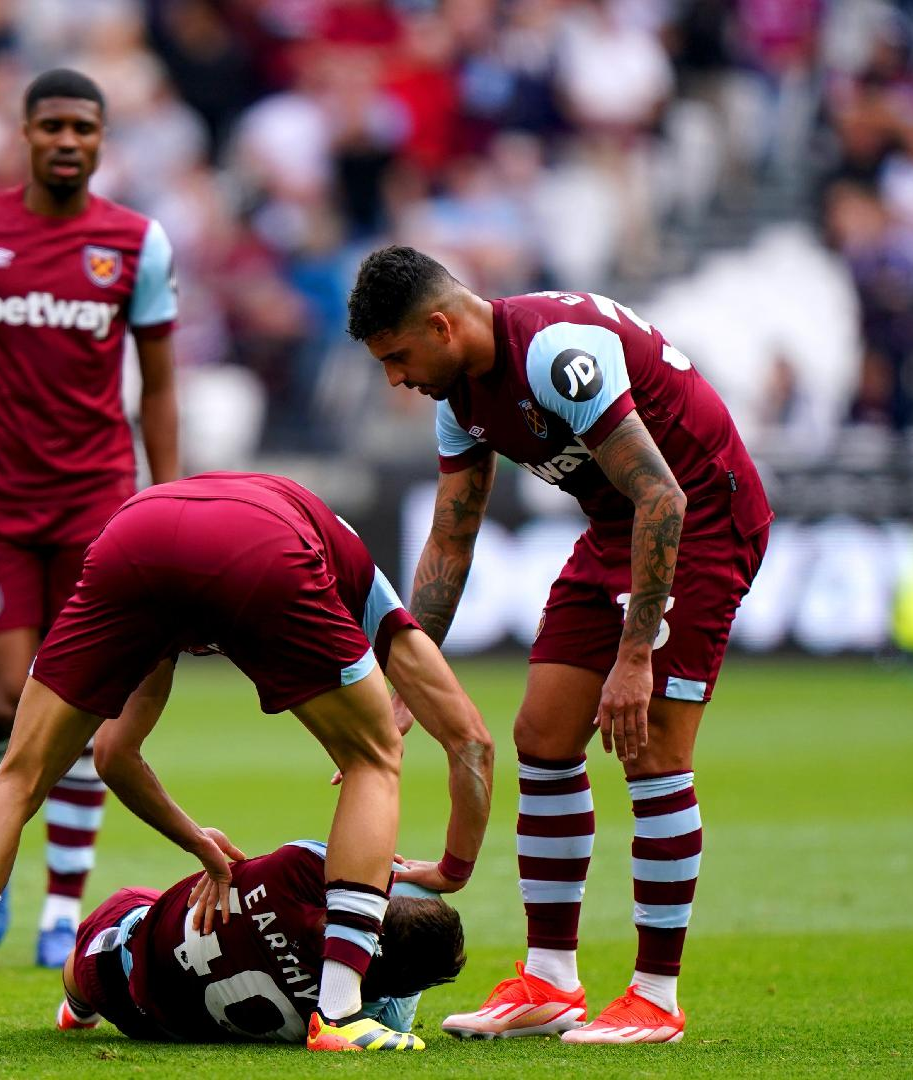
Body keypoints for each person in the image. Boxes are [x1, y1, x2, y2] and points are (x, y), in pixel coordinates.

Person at [0, 471, 495, 1055]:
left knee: (16, 779)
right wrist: (453, 868)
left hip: (134, 537)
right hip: (264, 545)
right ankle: (340, 1012)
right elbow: (471, 742)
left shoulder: (193, 565)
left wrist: (196, 842)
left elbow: (114, 753)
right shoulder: (355, 573)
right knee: (374, 757)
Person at [346, 246, 774, 1044]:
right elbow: (450, 539)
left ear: (441, 326)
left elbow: (664, 495)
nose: (396, 378)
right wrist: (405, 685)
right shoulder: (458, 397)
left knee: (652, 751)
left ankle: (656, 996)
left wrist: (635, 657)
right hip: (615, 527)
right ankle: (550, 981)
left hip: (701, 522)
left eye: (398, 357)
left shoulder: (555, 352)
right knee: (542, 737)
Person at [0, 68, 181, 967]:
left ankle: (62, 910)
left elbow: (160, 386)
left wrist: (167, 500)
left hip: (97, 503)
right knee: (1, 701)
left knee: (83, 706)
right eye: (52, 126)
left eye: (83, 127)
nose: (68, 141)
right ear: (25, 134)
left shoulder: (137, 243)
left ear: (102, 139)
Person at [56, 843, 467, 1044]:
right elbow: (395, 1022)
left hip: (123, 956)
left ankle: (78, 1008)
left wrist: (401, 879)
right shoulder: (347, 1012)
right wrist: (409, 976)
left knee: (96, 951)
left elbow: (366, 869)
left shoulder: (297, 869)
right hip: (159, 1025)